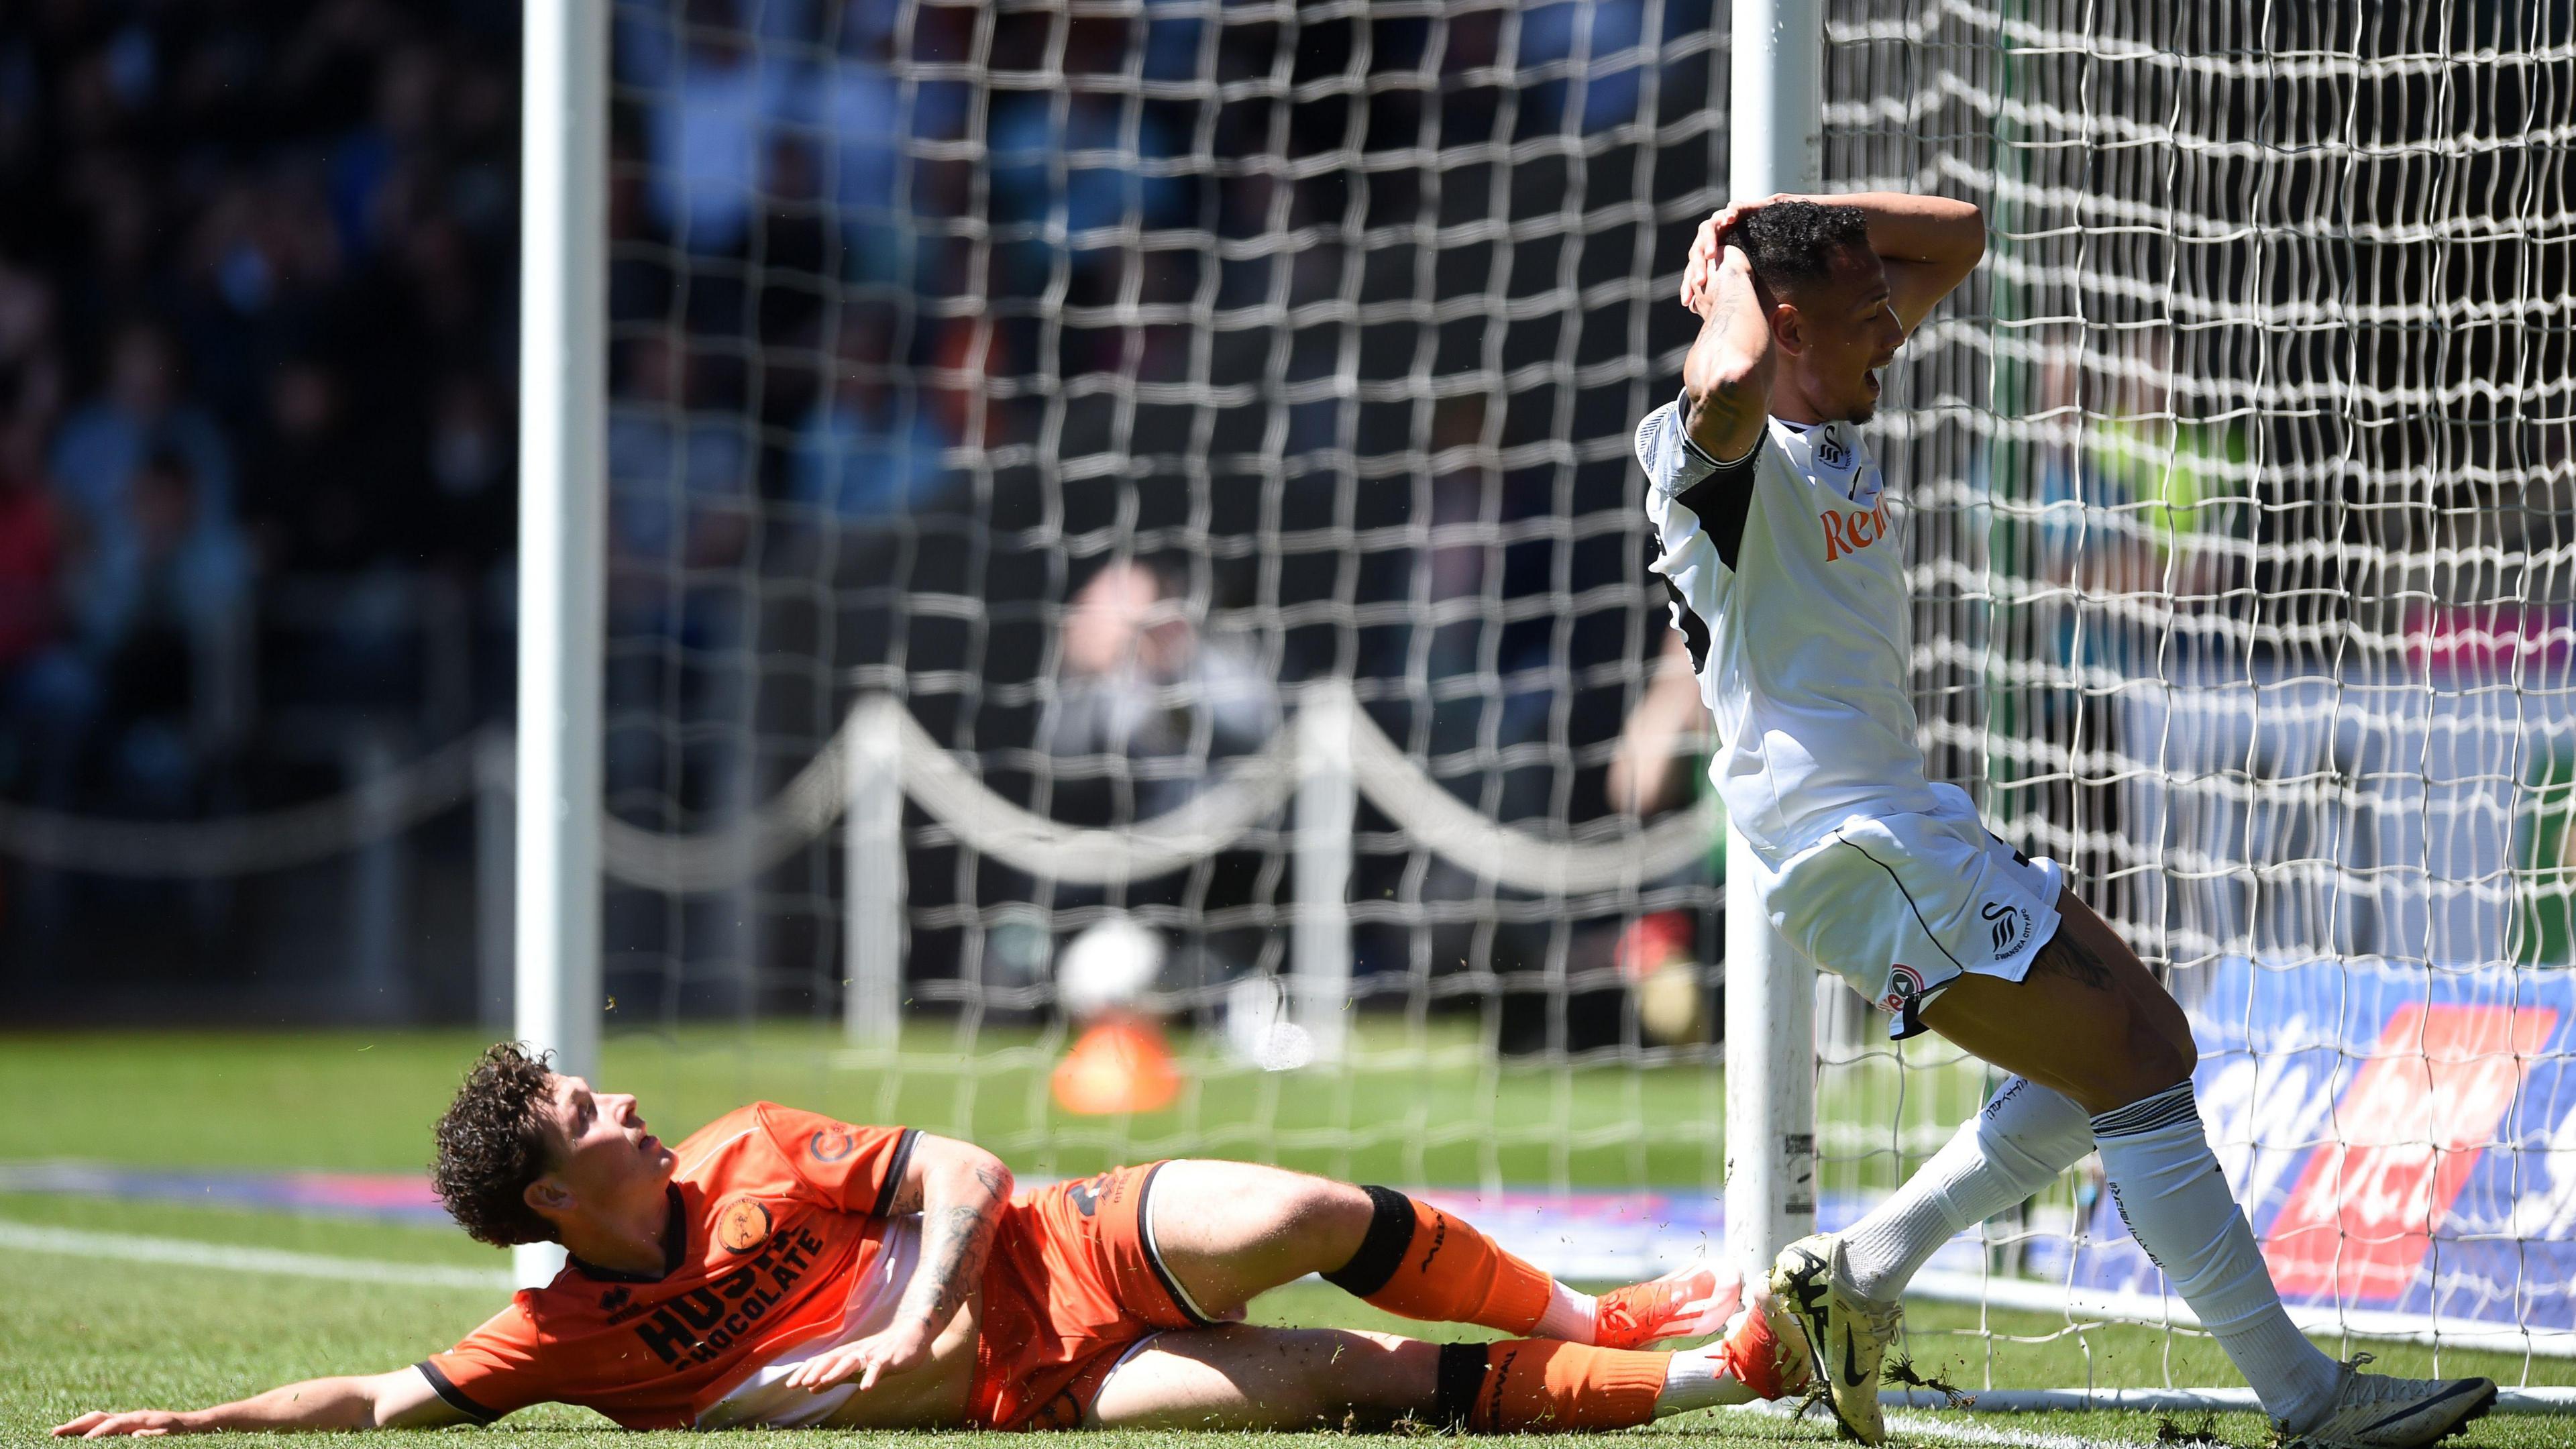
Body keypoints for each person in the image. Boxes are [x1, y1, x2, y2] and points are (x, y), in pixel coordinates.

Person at [1636, 194, 2497, 1449]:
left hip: (1904, 828)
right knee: (2135, 1067)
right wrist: (1726, 273)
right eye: (1865, 316)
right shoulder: (1713, 451)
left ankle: (1861, 1272)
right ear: (1780, 322)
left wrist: (1767, 215)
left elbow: (1961, 233)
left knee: (2153, 1039)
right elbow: (1731, 373)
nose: (1894, 330)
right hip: (1849, 851)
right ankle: (2310, 1405)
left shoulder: (1819, 408)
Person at [53, 1043, 1803, 1438]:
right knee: (1354, 1382)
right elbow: (380, 1400)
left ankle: (1607, 1303)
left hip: (1056, 1255)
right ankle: (1719, 1376)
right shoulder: (565, 1342)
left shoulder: (754, 1148)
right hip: (1029, 1399)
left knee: (1304, 1216)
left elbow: (961, 1164)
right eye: (586, 1115)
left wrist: (922, 1313)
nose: (620, 1104)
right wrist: (192, 1425)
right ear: (551, 1206)